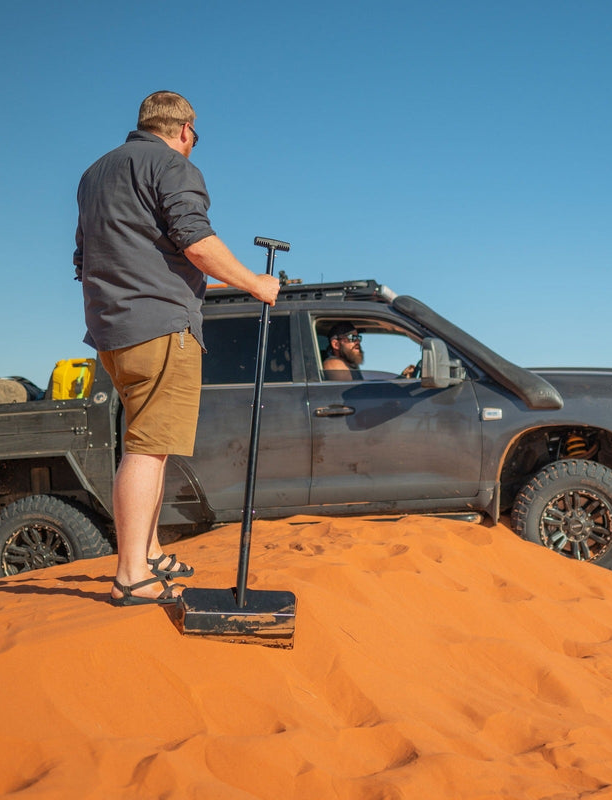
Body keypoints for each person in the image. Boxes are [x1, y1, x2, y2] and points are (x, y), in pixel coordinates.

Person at [74, 91, 279, 606]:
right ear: (185, 129)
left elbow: (88, 257)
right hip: (161, 328)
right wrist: (256, 283)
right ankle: (130, 576)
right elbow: (196, 241)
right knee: (149, 449)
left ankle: (150, 552)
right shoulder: (170, 164)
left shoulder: (96, 173)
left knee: (149, 443)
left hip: (110, 330)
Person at [322, 321, 416, 380]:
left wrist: (401, 378)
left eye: (358, 337)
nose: (357, 341)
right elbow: (355, 395)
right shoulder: (333, 364)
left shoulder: (349, 365)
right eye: (352, 337)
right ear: (336, 344)